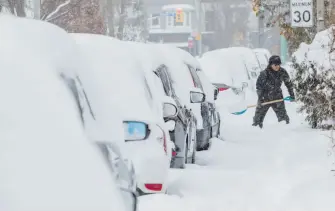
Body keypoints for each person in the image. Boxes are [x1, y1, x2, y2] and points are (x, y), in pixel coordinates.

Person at [252, 55, 295, 128]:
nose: (277, 66)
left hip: (277, 97)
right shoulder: (264, 73)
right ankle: (256, 132)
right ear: (271, 64)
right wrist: (260, 98)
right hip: (264, 98)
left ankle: (285, 133)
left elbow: (288, 84)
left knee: (284, 119)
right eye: (275, 64)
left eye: (278, 64)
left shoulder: (282, 72)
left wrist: (292, 95)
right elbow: (258, 87)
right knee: (257, 121)